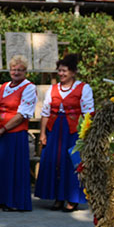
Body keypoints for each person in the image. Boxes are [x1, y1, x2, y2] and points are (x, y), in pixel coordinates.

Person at [35, 53, 94, 212]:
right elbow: (46, 112)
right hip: (54, 129)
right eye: (59, 71)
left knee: (72, 163)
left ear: (73, 72)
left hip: (74, 130)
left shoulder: (83, 88)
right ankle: (57, 197)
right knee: (55, 162)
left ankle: (72, 199)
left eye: (65, 71)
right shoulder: (53, 89)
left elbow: (88, 113)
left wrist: (86, 135)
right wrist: (42, 134)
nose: (61, 74)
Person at [0, 55, 36, 211]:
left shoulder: (28, 87)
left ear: (25, 72)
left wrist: (3, 129)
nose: (16, 73)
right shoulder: (5, 86)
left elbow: (22, 114)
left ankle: (14, 202)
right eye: (13, 69)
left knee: (13, 169)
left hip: (13, 134)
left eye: (20, 70)